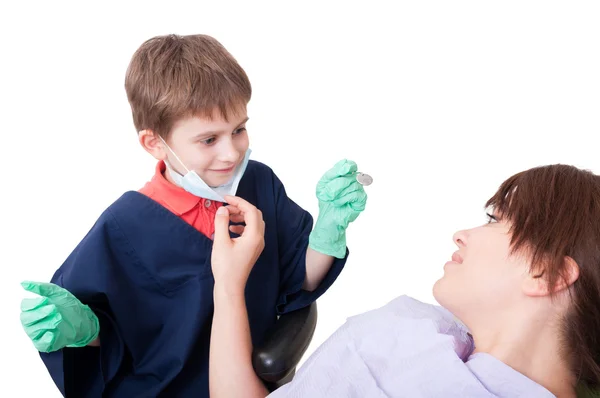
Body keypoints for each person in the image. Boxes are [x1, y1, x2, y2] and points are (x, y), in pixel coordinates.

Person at [18, 34, 368, 397]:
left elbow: (301, 282)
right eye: (208, 140)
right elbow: (112, 345)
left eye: (239, 129)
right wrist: (83, 331)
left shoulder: (259, 183)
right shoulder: (124, 225)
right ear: (155, 143)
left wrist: (329, 229)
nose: (231, 154)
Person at [209, 164, 600, 398]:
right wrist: (228, 285)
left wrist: (227, 286)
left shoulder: (396, 342)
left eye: (495, 219)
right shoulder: (408, 332)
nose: (461, 234)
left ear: (547, 274)